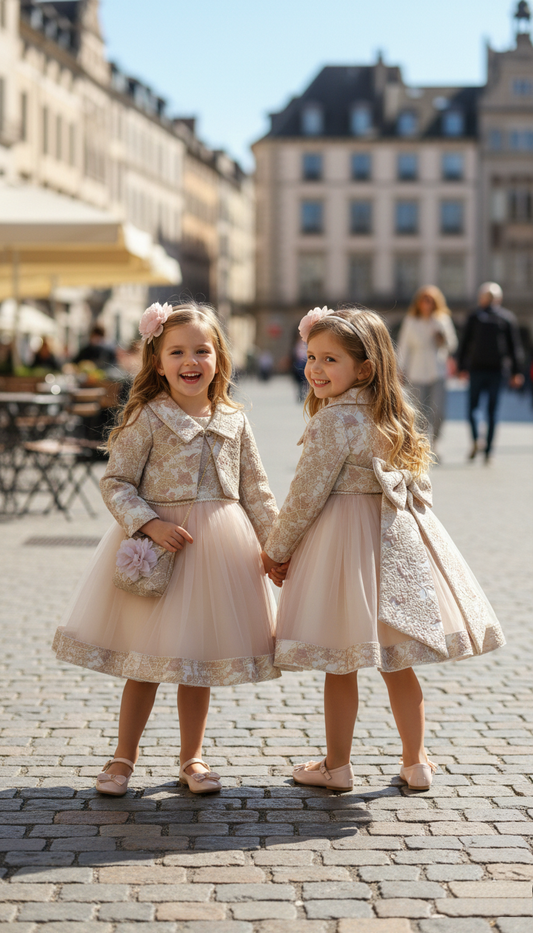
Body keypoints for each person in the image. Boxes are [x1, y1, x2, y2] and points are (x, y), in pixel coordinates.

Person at [262, 306, 505, 794]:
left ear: (364, 368)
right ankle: (416, 761)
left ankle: (337, 766)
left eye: (330, 359)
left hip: (343, 548)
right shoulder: (394, 416)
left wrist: (276, 550)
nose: (315, 369)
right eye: (312, 357)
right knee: (398, 660)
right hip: (395, 543)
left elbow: (305, 495)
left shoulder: (333, 421)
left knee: (341, 659)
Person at [53, 301, 279, 796]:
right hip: (159, 552)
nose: (189, 361)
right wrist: (150, 523)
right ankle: (123, 757)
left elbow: (257, 491)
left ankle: (192, 758)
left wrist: (277, 548)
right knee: (146, 660)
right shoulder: (148, 416)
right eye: (177, 352)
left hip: (218, 553)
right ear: (157, 362)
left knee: (196, 660)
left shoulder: (234, 420)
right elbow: (116, 482)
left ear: (218, 358)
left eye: (201, 350)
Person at [458, 282, 524, 463]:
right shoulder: (478, 317)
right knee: (481, 409)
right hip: (483, 370)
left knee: (486, 410)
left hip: (492, 371)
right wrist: (462, 367)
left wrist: (516, 371)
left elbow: (514, 347)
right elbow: (465, 343)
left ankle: (485, 447)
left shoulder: (503, 318)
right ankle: (480, 444)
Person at [396, 285, 457, 451]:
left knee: (438, 411)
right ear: (418, 302)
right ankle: (421, 445)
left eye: (430, 301)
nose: (427, 304)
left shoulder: (442, 320)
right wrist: (400, 369)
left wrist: (442, 338)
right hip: (416, 372)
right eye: (424, 300)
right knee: (418, 412)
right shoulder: (411, 321)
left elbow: (452, 345)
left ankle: (435, 441)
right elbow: (403, 347)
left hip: (438, 371)